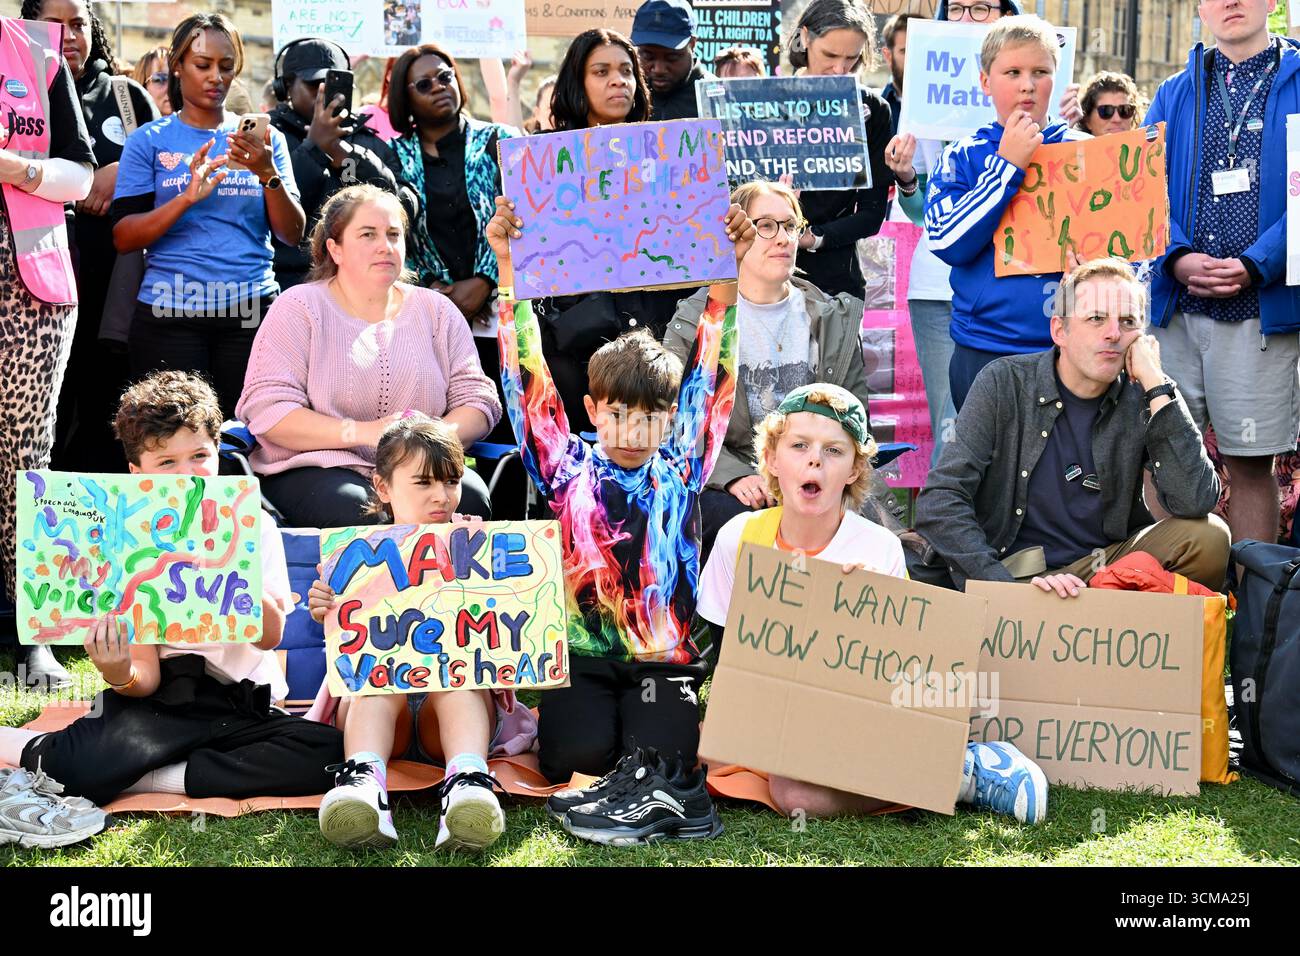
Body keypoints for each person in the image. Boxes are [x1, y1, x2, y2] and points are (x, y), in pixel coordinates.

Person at [487, 195, 755, 844]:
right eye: (616, 413)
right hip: (583, 659)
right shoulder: (561, 462)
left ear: (670, 419)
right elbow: (525, 378)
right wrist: (507, 272)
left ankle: (652, 782)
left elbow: (710, 376)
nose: (634, 429)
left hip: (663, 663)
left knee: (662, 763)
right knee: (572, 761)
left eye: (650, 416)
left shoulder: (683, 462)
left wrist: (725, 285)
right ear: (591, 406)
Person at [695, 383, 1049, 823]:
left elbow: (892, 683)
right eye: (799, 445)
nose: (814, 460)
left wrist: (857, 614)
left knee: (798, 796)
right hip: (774, 710)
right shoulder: (739, 536)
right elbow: (730, 662)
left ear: (854, 471)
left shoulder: (877, 547)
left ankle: (961, 773)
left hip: (849, 718)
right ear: (770, 458)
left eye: (834, 451)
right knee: (695, 748)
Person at [0, 371, 344, 813]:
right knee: (74, 769)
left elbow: (269, 638)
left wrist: (232, 571)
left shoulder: (253, 525)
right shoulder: (127, 542)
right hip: (162, 707)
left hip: (241, 705)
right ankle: (40, 748)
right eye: (167, 463)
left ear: (218, 452)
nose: (187, 475)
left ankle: (160, 775)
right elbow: (144, 682)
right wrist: (117, 670)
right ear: (136, 472)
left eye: (200, 455)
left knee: (329, 753)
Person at [915, 258, 1231, 596]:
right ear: (1059, 331)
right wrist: (997, 585)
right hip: (1015, 572)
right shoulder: (1004, 382)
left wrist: (1157, 384)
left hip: (1104, 572)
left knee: (1210, 537)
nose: (1113, 333)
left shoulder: (1144, 393)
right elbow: (942, 498)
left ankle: (1107, 615)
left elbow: (1194, 501)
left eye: (1127, 321)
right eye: (1096, 319)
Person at [306, 416, 532, 851]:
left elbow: (508, 632)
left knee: (458, 682)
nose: (441, 496)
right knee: (378, 680)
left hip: (446, 718)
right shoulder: (354, 557)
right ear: (383, 487)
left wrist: (502, 586)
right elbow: (349, 646)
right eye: (424, 482)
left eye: (451, 481)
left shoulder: (476, 542)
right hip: (374, 715)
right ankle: (363, 788)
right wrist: (325, 608)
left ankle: (468, 785)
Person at [236, 185, 500, 527]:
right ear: (335, 249)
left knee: (472, 500)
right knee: (361, 510)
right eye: (367, 234)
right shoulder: (299, 308)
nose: (384, 246)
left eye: (393, 234)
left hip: (423, 468)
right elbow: (268, 411)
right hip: (321, 467)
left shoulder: (437, 311)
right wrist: (363, 432)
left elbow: (478, 401)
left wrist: (423, 444)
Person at [1144, 0, 1300, 551]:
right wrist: (1177, 256)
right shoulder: (1174, 91)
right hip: (1176, 309)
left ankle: (1252, 618)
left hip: (1261, 310)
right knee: (1161, 457)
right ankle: (1173, 605)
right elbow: (1144, 185)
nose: (1230, 2)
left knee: (1250, 465)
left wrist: (1260, 262)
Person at [111, 13, 305, 417]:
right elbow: (124, 238)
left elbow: (292, 233)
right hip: (170, 315)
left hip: (250, 313)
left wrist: (267, 172)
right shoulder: (149, 141)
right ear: (177, 65)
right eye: (203, 65)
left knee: (247, 441)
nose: (216, 77)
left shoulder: (264, 141)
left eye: (227, 67)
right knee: (172, 443)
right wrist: (185, 198)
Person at [664, 180, 870, 559]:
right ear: (737, 233)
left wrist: (811, 476)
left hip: (816, 472)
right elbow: (672, 419)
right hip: (735, 476)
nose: (783, 238)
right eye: (766, 225)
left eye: (791, 226)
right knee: (733, 523)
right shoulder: (697, 320)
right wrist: (729, 475)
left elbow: (853, 420)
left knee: (872, 542)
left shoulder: (833, 317)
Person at [924, 14, 1088, 412]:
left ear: (1057, 76)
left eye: (1040, 72)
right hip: (984, 349)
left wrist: (1092, 270)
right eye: (1012, 72)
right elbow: (946, 241)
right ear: (985, 82)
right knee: (991, 472)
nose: (1027, 84)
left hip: (1071, 349)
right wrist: (1006, 166)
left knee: (1069, 472)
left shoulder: (1087, 152)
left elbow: (1127, 254)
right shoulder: (962, 155)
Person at [0, 12, 96, 691]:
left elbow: (83, 177)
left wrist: (13, 166)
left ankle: (32, 631)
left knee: (26, 455)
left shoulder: (35, 50)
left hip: (29, 286)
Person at [529, 28, 685, 433]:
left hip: (657, 338)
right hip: (576, 349)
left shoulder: (668, 152)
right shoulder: (542, 159)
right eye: (601, 71)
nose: (619, 80)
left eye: (626, 70)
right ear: (576, 84)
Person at [33, 0, 157, 479]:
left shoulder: (127, 99)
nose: (69, 35)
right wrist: (78, 180)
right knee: (47, 416)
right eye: (55, 24)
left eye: (79, 24)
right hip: (39, 285)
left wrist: (118, 172)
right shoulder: (16, 95)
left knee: (110, 414)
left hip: (115, 293)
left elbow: (164, 170)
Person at [387, 43, 518, 444]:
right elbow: (395, 231)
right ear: (405, 98)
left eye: (444, 76)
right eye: (423, 84)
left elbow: (521, 218)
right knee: (435, 432)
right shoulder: (391, 158)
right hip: (427, 311)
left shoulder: (499, 141)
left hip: (501, 306)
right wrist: (435, 291)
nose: (439, 86)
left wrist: (483, 281)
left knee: (508, 424)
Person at [267, 37, 410, 292]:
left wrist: (346, 155)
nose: (325, 94)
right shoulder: (269, 137)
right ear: (287, 86)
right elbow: (271, 210)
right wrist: (314, 149)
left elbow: (403, 204)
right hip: (290, 284)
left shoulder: (366, 139)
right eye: (314, 85)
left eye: (332, 85)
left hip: (364, 287)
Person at [785, 0, 892, 300]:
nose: (840, 68)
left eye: (852, 59)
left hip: (836, 286)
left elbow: (872, 214)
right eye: (829, 55)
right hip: (766, 281)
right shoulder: (765, 101)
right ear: (805, 37)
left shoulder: (872, 110)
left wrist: (815, 238)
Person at [630, 0, 711, 121]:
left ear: (692, 44)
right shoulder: (626, 93)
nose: (659, 69)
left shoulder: (717, 98)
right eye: (648, 56)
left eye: (671, 57)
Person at [1075, 70, 1143, 136]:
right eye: (1106, 111)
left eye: (1124, 110)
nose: (1117, 119)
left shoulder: (1149, 146)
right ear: (1087, 120)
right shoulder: (1068, 146)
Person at [132, 45, 172, 117]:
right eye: (159, 79)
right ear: (143, 87)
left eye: (176, 78)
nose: (170, 87)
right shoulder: (132, 127)